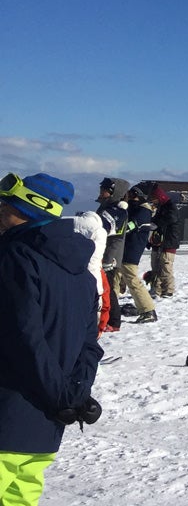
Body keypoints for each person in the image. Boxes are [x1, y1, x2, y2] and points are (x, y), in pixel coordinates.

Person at [0, 173, 104, 504]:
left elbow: (22, 339)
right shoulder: (82, 273)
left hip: (8, 411)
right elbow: (90, 345)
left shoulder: (14, 257)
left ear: (25, 209)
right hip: (44, 423)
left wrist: (64, 397)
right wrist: (75, 394)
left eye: (3, 205)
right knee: (20, 496)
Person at [95, 177, 130, 330]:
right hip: (101, 254)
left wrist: (108, 259)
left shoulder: (118, 211)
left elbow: (116, 238)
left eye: (105, 190)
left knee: (107, 290)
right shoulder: (105, 207)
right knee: (102, 288)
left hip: (109, 258)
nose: (101, 192)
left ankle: (113, 322)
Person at [120, 186, 158, 323]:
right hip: (124, 249)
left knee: (132, 281)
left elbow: (130, 226)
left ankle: (148, 310)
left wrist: (116, 228)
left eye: (130, 194)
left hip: (131, 251)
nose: (127, 196)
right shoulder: (135, 208)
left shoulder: (143, 211)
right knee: (117, 279)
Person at [141, 183, 181, 297]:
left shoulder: (170, 207)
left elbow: (171, 218)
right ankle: (156, 289)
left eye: (154, 199)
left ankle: (168, 290)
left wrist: (156, 224)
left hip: (168, 243)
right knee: (156, 267)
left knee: (165, 268)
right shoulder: (160, 208)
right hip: (158, 242)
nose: (153, 202)